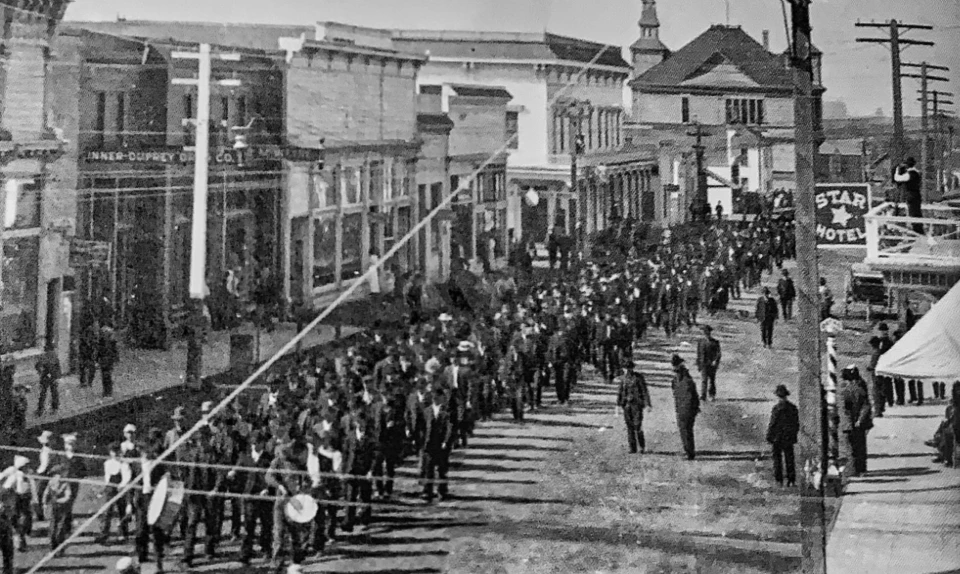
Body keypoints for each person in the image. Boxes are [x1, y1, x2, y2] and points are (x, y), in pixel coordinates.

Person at [839, 365, 873, 477]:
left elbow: (847, 409)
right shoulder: (859, 386)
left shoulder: (849, 390)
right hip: (857, 422)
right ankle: (859, 469)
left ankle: (856, 469)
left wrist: (857, 420)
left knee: (854, 447)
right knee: (858, 447)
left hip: (854, 422)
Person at [766, 384, 799, 487]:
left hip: (777, 437)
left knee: (777, 460)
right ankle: (791, 479)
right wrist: (793, 434)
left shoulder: (776, 408)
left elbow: (773, 423)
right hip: (788, 437)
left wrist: (769, 435)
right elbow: (796, 423)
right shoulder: (793, 408)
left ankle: (779, 480)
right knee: (789, 459)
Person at [616, 360, 652, 454]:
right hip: (627, 405)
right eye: (626, 368)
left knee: (638, 425)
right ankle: (632, 448)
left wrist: (647, 404)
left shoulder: (638, 378)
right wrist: (618, 405)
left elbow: (644, 391)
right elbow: (620, 392)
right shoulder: (623, 379)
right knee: (629, 426)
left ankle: (641, 447)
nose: (627, 370)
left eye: (629, 368)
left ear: (632, 368)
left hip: (637, 404)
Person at [670, 354, 700, 461]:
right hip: (681, 408)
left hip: (687, 409)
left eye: (675, 366)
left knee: (686, 430)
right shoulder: (675, 379)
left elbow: (692, 396)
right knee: (684, 430)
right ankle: (688, 450)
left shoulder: (686, 379)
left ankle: (689, 452)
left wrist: (693, 408)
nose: (674, 369)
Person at [866, 323, 895, 417]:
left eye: (883, 330)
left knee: (877, 391)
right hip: (885, 369)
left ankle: (878, 410)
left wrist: (870, 367)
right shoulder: (887, 342)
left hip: (879, 369)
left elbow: (876, 357)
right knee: (883, 389)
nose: (883, 332)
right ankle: (882, 406)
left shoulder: (881, 344)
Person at [893, 157, 923, 233]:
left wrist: (897, 170)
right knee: (917, 213)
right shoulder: (916, 173)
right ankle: (919, 230)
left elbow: (897, 178)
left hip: (911, 195)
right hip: (916, 195)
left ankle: (918, 232)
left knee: (913, 214)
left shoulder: (909, 175)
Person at [695, 325, 721, 402]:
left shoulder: (715, 342)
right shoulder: (701, 342)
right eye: (705, 332)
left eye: (707, 332)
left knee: (712, 380)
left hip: (712, 364)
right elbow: (699, 354)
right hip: (703, 364)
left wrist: (715, 362)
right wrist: (698, 364)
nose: (706, 334)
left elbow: (718, 354)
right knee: (704, 380)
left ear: (710, 333)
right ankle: (703, 395)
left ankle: (712, 395)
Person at [35, 348, 61, 417]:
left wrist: (57, 377)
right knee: (46, 393)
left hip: (50, 377)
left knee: (51, 393)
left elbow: (58, 367)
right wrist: (40, 371)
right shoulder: (47, 356)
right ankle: (43, 409)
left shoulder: (50, 356)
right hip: (47, 377)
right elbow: (38, 366)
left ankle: (49, 409)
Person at [98, 323, 120, 398]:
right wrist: (116, 358)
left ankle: (107, 391)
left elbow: (99, 350)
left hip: (106, 359)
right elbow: (115, 350)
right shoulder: (110, 339)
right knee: (107, 375)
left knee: (105, 375)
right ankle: (108, 391)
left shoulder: (103, 340)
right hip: (107, 359)